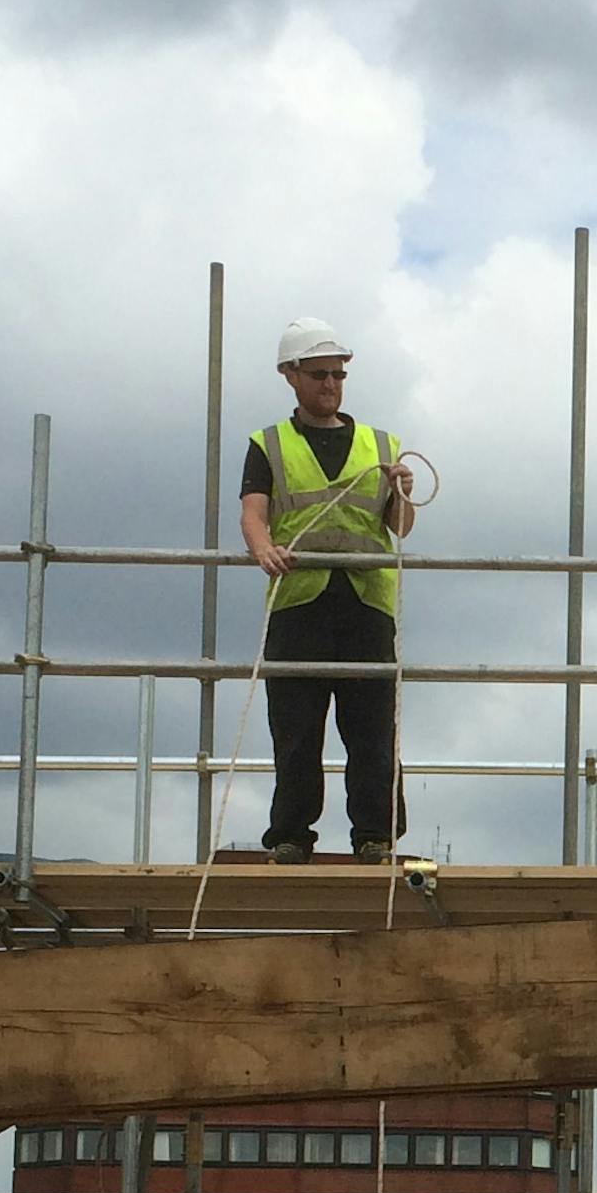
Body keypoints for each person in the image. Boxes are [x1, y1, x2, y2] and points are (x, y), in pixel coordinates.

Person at [239, 315, 415, 863]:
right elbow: (253, 513)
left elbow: (401, 526)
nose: (330, 385)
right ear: (290, 375)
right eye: (318, 374)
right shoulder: (268, 444)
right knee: (296, 729)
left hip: (365, 603)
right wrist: (262, 548)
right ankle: (291, 836)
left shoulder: (381, 444)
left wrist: (401, 491)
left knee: (372, 731)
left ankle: (375, 837)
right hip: (299, 602)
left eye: (338, 374)